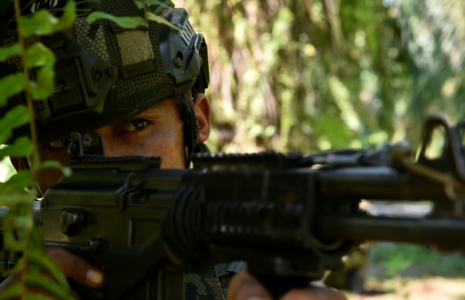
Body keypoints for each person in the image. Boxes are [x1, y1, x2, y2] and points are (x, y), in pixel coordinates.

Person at [0, 1, 346, 299]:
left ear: (196, 124)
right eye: (65, 143)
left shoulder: (250, 276)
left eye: (137, 126)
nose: (107, 164)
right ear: (22, 163)